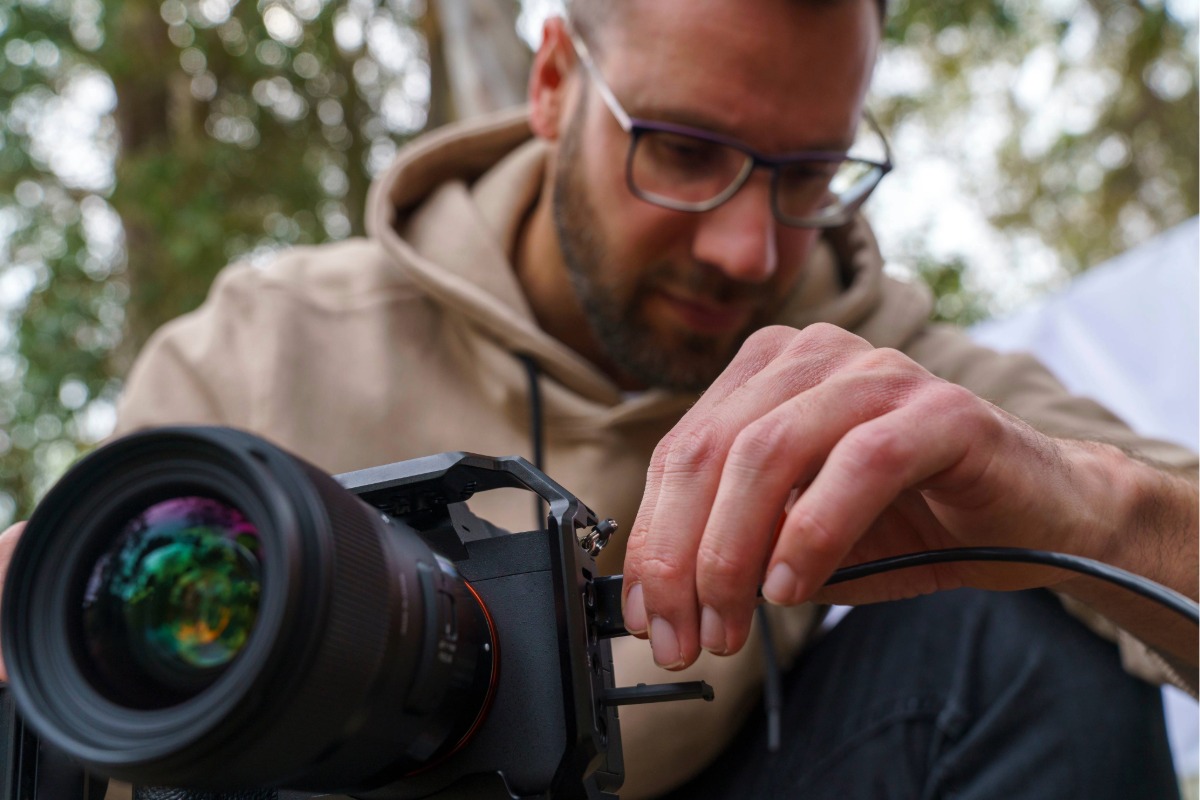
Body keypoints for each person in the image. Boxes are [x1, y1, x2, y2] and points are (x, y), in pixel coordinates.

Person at [1, 0, 1197, 796]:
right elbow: (92, 713)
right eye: (682, 149)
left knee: (1023, 625)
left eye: (808, 174)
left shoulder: (863, 348)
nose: (744, 246)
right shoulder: (261, 354)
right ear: (554, 82)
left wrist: (1092, 514)